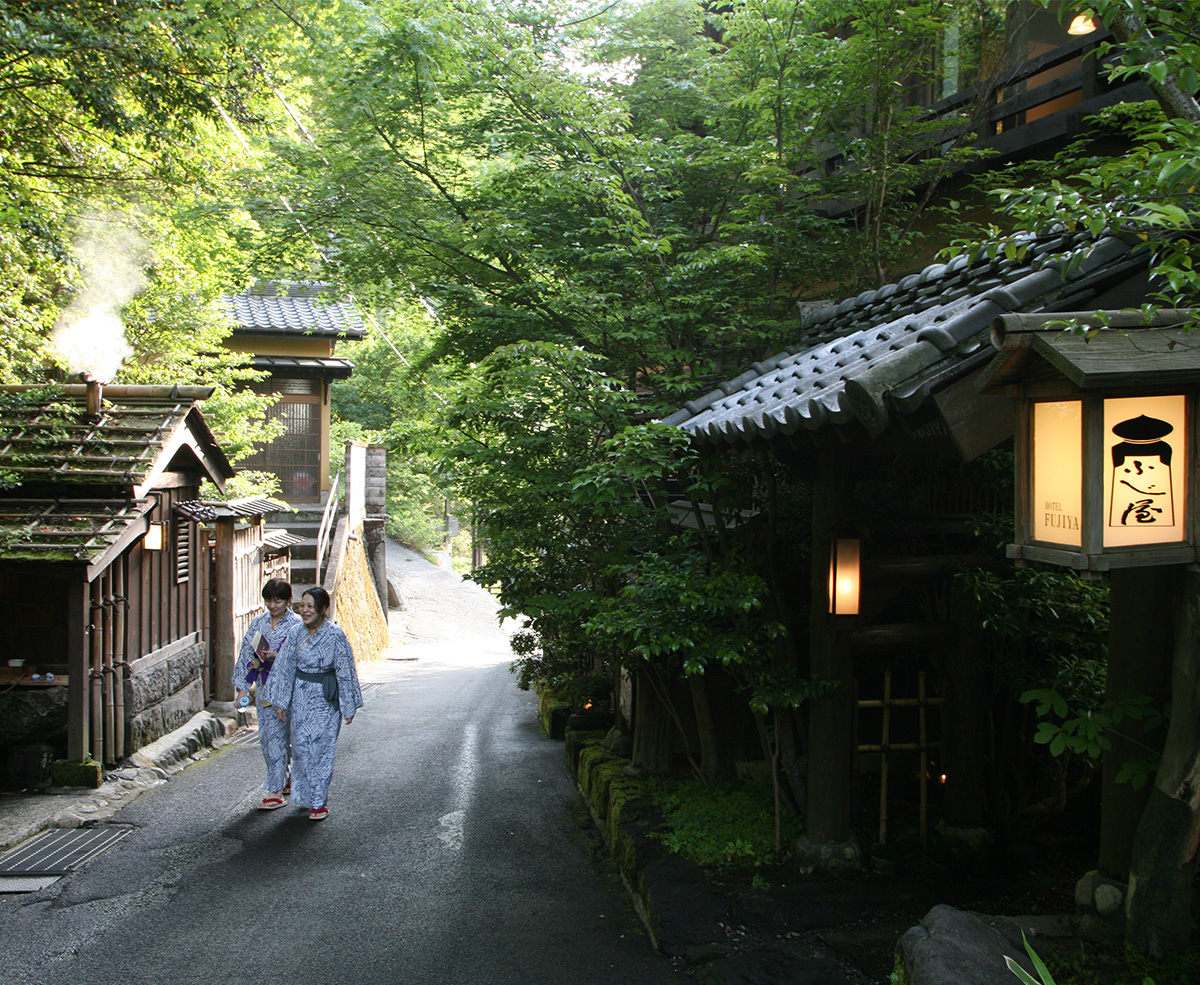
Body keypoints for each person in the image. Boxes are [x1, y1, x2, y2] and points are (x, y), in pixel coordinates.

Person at [262, 587, 363, 821]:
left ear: (323, 609)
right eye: (302, 605)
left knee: (321, 750)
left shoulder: (335, 634)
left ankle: (319, 802)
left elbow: (345, 670)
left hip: (325, 699)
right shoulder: (296, 632)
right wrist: (281, 702)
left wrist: (348, 705)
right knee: (301, 749)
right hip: (300, 696)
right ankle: (305, 796)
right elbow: (285, 668)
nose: (305, 611)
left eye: (310, 606)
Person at [233, 578, 302, 810]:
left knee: (287, 736)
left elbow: (303, 656)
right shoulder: (259, 622)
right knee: (269, 735)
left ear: (289, 600)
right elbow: (246, 655)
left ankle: (284, 781)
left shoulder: (297, 625)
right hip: (264, 686)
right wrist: (243, 689)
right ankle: (277, 787)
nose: (272, 606)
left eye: (278, 600)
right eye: (269, 600)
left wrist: (278, 656)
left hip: (288, 687)